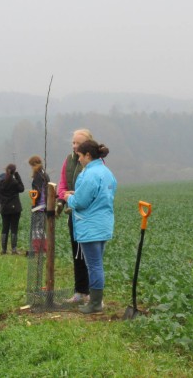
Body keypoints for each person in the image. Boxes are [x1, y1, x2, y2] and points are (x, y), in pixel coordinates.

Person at [64, 140, 117, 314]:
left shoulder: (90, 174)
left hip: (90, 226)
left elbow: (80, 201)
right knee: (97, 264)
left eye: (79, 156)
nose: (78, 159)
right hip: (103, 224)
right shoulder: (106, 172)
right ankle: (96, 302)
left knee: (93, 265)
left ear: (88, 155)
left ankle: (95, 304)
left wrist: (68, 198)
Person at [57, 129, 94, 303]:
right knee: (77, 253)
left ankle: (92, 294)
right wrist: (63, 197)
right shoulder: (69, 160)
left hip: (88, 214)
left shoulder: (93, 161)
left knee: (89, 254)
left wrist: (75, 196)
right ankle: (80, 291)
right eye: (73, 142)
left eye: (78, 143)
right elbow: (63, 183)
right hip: (73, 212)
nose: (74, 146)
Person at [0, 164, 24, 254]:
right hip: (15, 208)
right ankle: (14, 249)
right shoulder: (15, 182)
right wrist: (18, 176)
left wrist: (2, 202)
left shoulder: (1, 182)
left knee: (5, 228)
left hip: (4, 208)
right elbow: (22, 189)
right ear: (14, 171)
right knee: (14, 228)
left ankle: (3, 249)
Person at [29, 155, 50, 253]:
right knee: (41, 228)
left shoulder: (37, 175)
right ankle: (44, 248)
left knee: (36, 228)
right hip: (44, 205)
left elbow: (37, 191)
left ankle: (37, 248)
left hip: (38, 206)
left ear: (34, 165)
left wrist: (34, 202)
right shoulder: (45, 174)